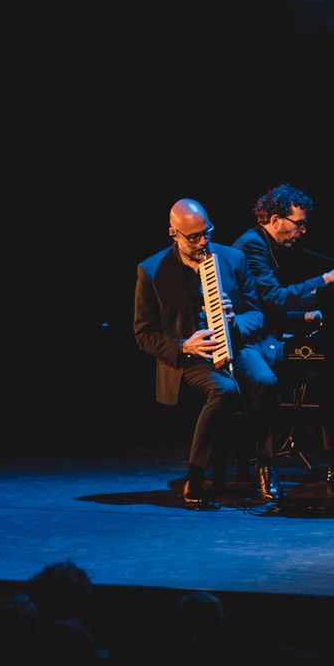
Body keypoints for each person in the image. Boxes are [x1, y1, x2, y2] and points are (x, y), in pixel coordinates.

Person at [134, 198, 281, 504]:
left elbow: (257, 314)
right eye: (193, 237)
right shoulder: (152, 270)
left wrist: (234, 321)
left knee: (266, 381)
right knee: (224, 390)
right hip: (192, 357)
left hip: (236, 345)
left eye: (207, 233)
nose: (202, 242)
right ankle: (196, 474)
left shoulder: (233, 259)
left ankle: (266, 466)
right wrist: (184, 345)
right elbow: (144, 334)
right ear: (174, 233)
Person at [230, 183, 334, 368]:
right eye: (299, 223)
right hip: (251, 344)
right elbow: (274, 300)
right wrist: (327, 278)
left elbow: (266, 306)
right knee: (331, 358)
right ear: (275, 220)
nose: (303, 230)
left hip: (262, 335)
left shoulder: (262, 243)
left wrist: (305, 317)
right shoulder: (252, 246)